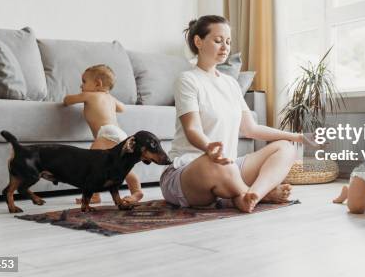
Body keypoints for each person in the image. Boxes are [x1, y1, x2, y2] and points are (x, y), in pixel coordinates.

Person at [160, 15, 317, 213]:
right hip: (187, 171)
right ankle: (256, 194)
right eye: (218, 41)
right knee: (216, 162)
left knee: (286, 149)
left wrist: (298, 137)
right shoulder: (188, 80)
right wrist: (208, 147)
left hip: (229, 167)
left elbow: (250, 129)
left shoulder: (230, 84)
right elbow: (192, 128)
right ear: (198, 41)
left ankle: (254, 195)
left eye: (228, 41)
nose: (225, 47)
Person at [63, 64, 143, 205]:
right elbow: (122, 108)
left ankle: (93, 195)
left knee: (93, 164)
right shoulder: (110, 98)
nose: (81, 85)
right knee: (122, 166)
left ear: (97, 83)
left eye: (84, 81)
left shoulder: (89, 95)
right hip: (120, 134)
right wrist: (107, 99)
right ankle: (136, 191)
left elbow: (67, 100)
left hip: (106, 133)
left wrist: (68, 99)